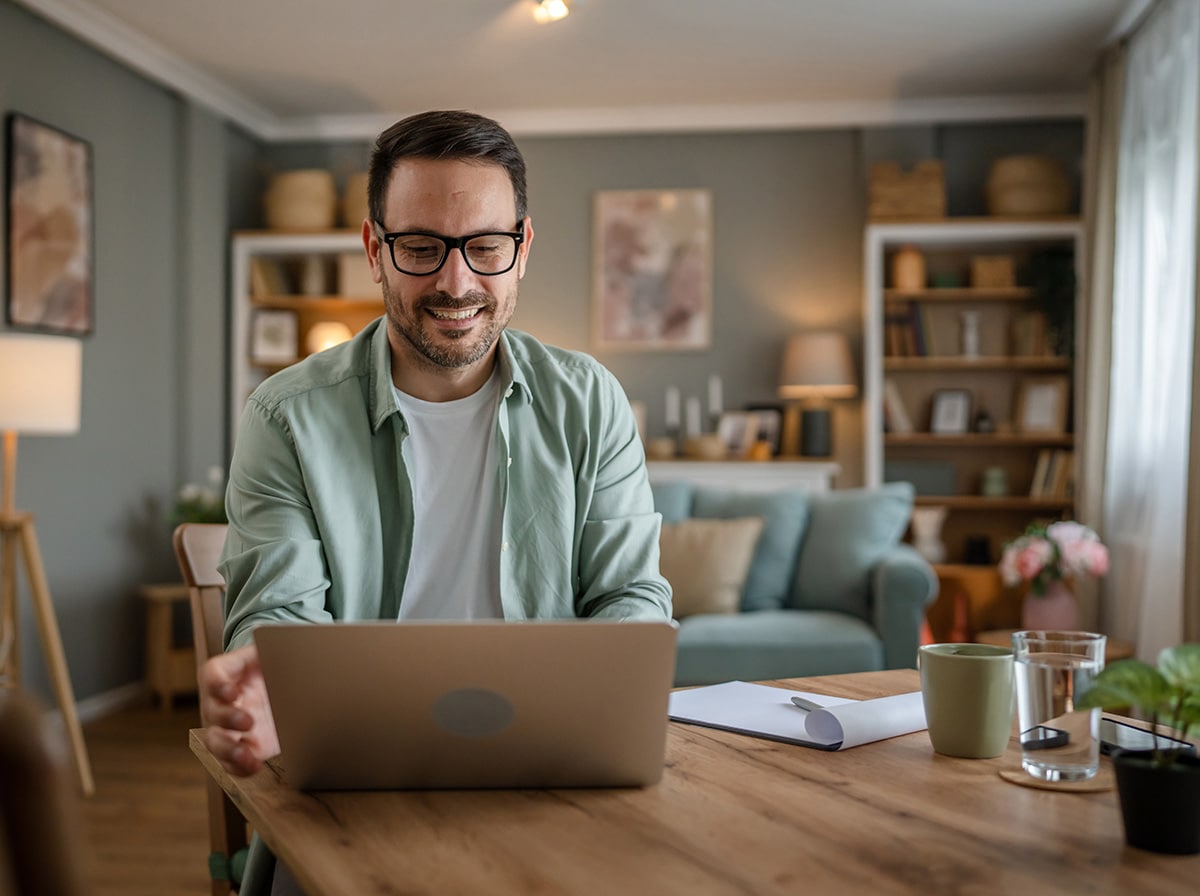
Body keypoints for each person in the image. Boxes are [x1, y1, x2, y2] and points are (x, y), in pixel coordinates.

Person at [199, 110, 672, 892]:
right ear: (373, 250)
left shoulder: (592, 402)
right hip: (356, 798)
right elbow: (278, 616)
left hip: (554, 788)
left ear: (522, 248)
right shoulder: (284, 416)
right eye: (421, 248)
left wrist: (609, 700)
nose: (457, 283)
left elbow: (630, 595)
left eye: (484, 247)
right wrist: (271, 683)